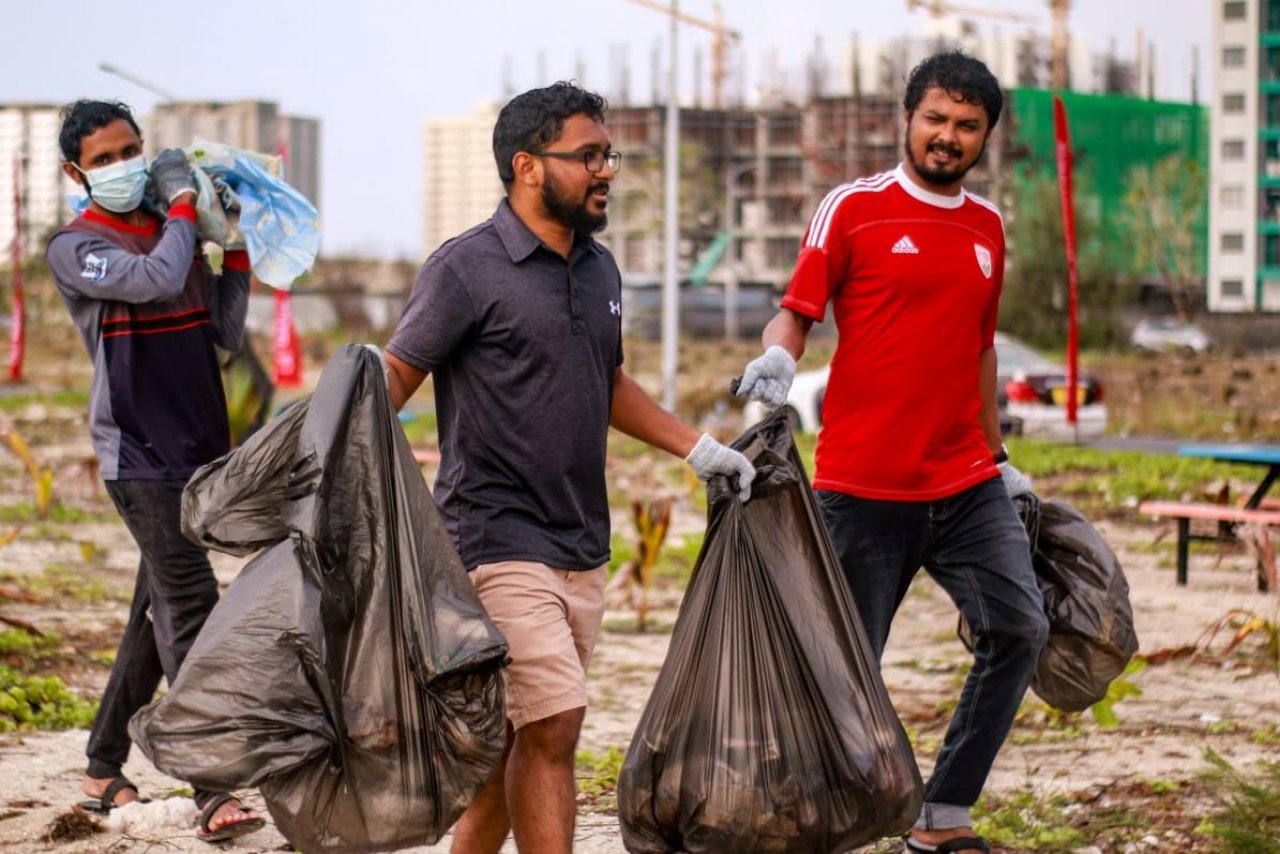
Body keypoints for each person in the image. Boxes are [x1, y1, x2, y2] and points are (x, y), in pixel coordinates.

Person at [381, 81, 754, 854]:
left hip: (582, 541)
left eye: (608, 155)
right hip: (494, 536)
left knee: (514, 748)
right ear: (527, 165)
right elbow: (394, 377)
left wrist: (697, 448)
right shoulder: (465, 269)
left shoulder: (599, 270)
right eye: (588, 156)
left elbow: (605, 381)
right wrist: (329, 457)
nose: (605, 170)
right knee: (554, 724)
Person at [735, 51, 1047, 854]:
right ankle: (807, 826)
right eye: (936, 118)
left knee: (1019, 628)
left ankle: (942, 817)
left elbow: (981, 349)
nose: (948, 136)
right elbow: (797, 309)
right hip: (861, 488)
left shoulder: (989, 227)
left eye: (967, 125)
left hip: (966, 484)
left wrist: (999, 456)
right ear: (907, 119)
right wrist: (780, 357)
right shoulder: (853, 207)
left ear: (985, 136)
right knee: (841, 673)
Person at [46, 100, 264, 843]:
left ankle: (102, 767)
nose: (121, 166)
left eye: (130, 150)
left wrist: (233, 247)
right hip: (137, 454)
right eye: (103, 159)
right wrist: (182, 208)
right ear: (75, 172)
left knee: (156, 610)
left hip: (199, 447)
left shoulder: (172, 231)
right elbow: (155, 281)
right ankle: (212, 785)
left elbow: (223, 332)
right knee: (190, 603)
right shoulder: (77, 245)